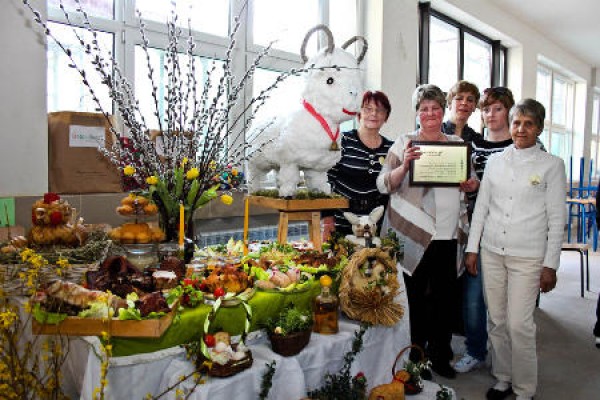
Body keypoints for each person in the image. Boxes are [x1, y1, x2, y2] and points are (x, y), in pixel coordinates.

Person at [465, 98, 566, 400]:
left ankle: (525, 389)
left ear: (539, 128)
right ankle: (504, 377)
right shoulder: (496, 161)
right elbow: (482, 208)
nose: (521, 129)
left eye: (528, 123)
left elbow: (557, 219)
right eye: (517, 122)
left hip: (529, 256)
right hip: (491, 251)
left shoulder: (552, 165)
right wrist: (472, 249)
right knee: (496, 319)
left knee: (519, 324)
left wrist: (551, 265)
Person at [376, 84, 479, 379]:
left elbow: (472, 181)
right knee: (416, 301)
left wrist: (471, 184)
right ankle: (416, 357)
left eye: (435, 108)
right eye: (424, 109)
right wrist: (405, 165)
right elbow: (383, 184)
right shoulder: (404, 142)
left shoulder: (457, 143)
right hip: (413, 236)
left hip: (449, 236)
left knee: (445, 302)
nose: (430, 113)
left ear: (443, 111)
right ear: (417, 112)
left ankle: (441, 356)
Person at [453, 87, 515, 374]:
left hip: (512, 233)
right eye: (486, 109)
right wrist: (469, 186)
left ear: (509, 111)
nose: (491, 115)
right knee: (473, 300)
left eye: (498, 109)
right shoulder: (473, 146)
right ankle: (476, 349)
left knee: (508, 305)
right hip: (478, 231)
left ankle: (506, 356)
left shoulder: (523, 144)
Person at [324, 90, 393, 237]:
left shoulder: (391, 148)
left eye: (380, 110)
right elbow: (327, 180)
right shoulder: (342, 141)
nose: (374, 114)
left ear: (386, 116)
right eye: (368, 109)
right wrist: (327, 220)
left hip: (374, 226)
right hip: (341, 222)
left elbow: (391, 187)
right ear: (359, 113)